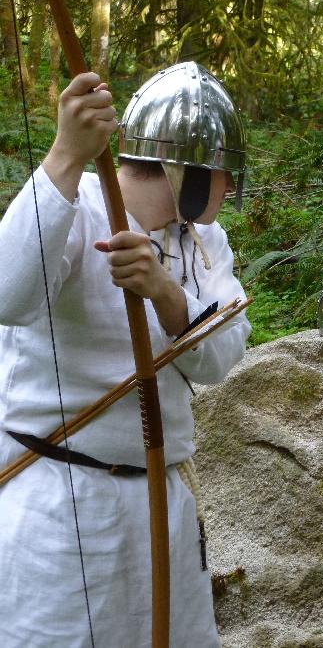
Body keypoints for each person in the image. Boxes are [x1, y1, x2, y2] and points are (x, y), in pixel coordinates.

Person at [0, 62, 251, 646]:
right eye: (220, 174)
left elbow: (218, 359)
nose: (230, 189)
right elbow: (7, 295)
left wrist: (165, 292)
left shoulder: (206, 243)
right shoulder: (75, 206)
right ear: (185, 169)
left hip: (159, 506)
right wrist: (65, 153)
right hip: (58, 506)